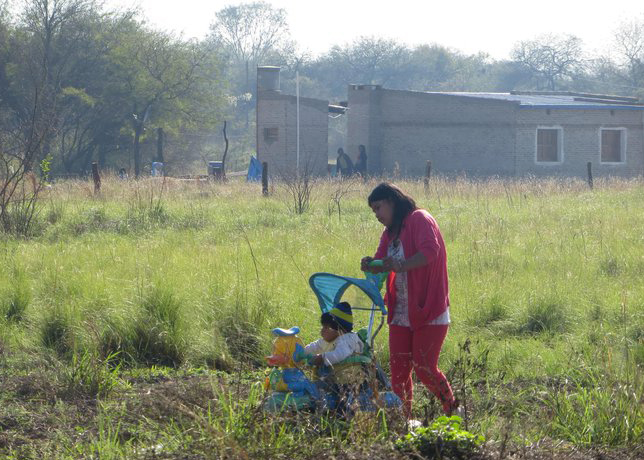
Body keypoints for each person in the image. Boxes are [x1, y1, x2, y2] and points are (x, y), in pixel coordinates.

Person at [361, 182, 457, 418]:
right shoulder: (389, 233)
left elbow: (430, 251)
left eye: (378, 208)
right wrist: (370, 265)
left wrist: (401, 265)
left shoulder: (419, 219)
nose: (377, 215)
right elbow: (382, 261)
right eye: (373, 211)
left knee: (424, 369)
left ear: (392, 201)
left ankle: (453, 410)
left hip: (428, 309)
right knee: (399, 372)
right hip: (400, 312)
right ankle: (403, 421)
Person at [304, 302, 367, 414]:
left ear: (340, 329)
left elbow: (340, 354)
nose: (322, 330)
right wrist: (300, 352)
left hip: (348, 380)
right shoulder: (328, 340)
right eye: (322, 327)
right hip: (333, 378)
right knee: (317, 387)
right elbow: (315, 346)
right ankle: (317, 409)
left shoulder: (347, 339)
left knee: (343, 400)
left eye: (327, 328)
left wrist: (322, 357)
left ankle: (343, 419)